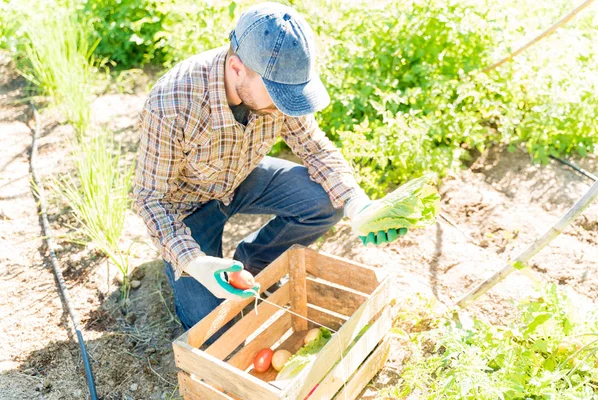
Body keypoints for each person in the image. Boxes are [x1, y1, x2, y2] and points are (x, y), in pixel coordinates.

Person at [133, 2, 406, 340]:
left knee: (327, 201)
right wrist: (193, 262)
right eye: (278, 94)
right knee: (212, 326)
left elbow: (314, 146)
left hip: (241, 176)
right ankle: (198, 264)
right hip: (187, 204)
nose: (284, 105)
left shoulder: (275, 86)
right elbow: (149, 198)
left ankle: (252, 262)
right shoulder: (173, 104)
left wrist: (357, 202)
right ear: (236, 68)